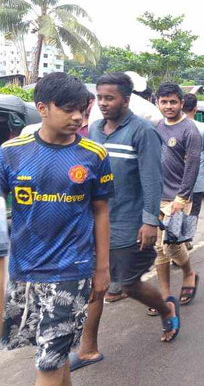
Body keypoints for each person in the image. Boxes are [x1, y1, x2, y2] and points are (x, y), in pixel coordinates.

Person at [0, 72, 113, 385]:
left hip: (71, 270)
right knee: (51, 351)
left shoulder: (94, 155)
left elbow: (102, 212)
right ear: (42, 108)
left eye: (82, 109)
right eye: (68, 109)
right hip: (25, 270)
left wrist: (102, 268)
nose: (77, 117)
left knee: (48, 363)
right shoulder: (11, 153)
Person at [70, 73, 179, 373]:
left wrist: (149, 222)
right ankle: (88, 348)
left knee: (129, 285)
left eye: (110, 98)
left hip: (131, 224)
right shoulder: (94, 130)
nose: (103, 103)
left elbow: (152, 181)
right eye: (100, 97)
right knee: (97, 284)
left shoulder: (143, 132)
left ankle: (165, 307)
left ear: (126, 100)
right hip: (98, 223)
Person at [152, 83, 201, 313]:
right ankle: (164, 295)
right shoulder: (158, 125)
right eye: (164, 102)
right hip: (156, 197)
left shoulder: (190, 130)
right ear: (158, 103)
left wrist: (182, 198)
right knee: (159, 249)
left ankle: (189, 272)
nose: (169, 106)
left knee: (171, 246)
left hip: (178, 198)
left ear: (182, 102)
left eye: (173, 102)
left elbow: (191, 168)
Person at [183, 93, 204, 244]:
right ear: (195, 109)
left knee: (178, 208)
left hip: (176, 179)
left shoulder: (174, 125)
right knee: (194, 210)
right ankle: (187, 239)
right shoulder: (203, 127)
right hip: (196, 178)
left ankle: (176, 239)